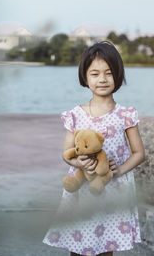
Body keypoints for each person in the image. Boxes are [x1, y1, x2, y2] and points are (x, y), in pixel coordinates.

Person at [42, 41, 145, 256]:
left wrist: (119, 171)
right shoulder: (76, 114)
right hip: (82, 191)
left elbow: (139, 153)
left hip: (113, 191)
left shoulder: (125, 115)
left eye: (108, 73)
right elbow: (67, 153)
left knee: (106, 247)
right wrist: (78, 162)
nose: (102, 79)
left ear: (117, 75)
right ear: (85, 77)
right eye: (95, 73)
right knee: (77, 246)